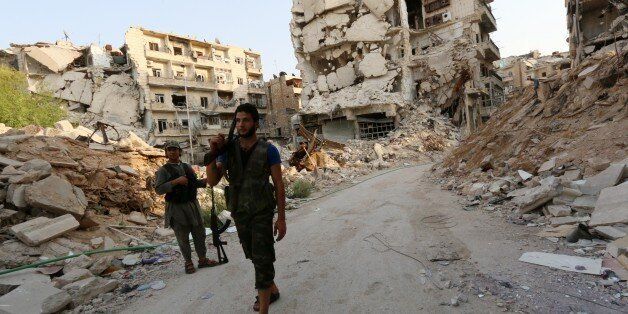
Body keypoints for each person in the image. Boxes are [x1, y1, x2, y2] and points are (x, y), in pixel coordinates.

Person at [206, 103, 287, 313]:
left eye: (246, 120)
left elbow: (279, 184)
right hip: (240, 212)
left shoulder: (268, 150)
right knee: (252, 254)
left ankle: (264, 307)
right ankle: (272, 289)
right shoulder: (228, 150)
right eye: (238, 120)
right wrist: (213, 153)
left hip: (262, 211)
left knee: (263, 258)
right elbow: (213, 180)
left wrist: (281, 219)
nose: (241, 125)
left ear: (255, 123)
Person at [154, 140, 218, 274]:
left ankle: (202, 259)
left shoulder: (187, 166)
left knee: (199, 233)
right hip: (176, 207)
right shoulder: (163, 170)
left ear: (179, 151)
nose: (172, 152)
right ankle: (188, 262)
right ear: (166, 153)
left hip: (192, 204)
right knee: (182, 236)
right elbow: (159, 189)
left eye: (175, 149)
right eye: (169, 150)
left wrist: (207, 181)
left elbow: (193, 183)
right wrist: (176, 181)